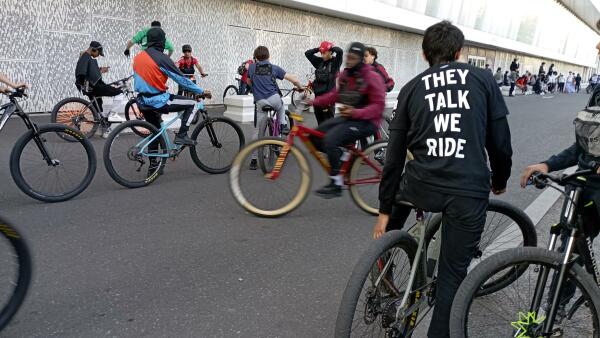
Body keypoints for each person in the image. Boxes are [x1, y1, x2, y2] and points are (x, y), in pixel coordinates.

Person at [374, 21, 512, 337]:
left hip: (420, 185)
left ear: (425, 54)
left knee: (398, 206)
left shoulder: (411, 88)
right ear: (460, 51)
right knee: (452, 276)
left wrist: (384, 215)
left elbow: (393, 158)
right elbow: (500, 142)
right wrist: (500, 179)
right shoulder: (484, 80)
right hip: (467, 189)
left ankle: (385, 254)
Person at [520, 100, 600, 323]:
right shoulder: (598, 93)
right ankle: (555, 311)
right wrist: (547, 165)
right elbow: (583, 146)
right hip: (584, 184)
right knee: (569, 249)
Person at [307, 42, 385, 197]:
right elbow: (336, 95)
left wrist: (355, 112)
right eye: (348, 57)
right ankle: (343, 156)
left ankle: (336, 182)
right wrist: (312, 101)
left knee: (331, 140)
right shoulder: (345, 74)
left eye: (353, 58)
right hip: (348, 117)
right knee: (314, 137)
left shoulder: (372, 76)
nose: (349, 60)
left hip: (367, 122)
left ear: (361, 59)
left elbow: (378, 106)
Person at [132, 27, 207, 148]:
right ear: (161, 42)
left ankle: (154, 165)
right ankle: (182, 135)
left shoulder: (138, 57)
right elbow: (182, 80)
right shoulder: (162, 58)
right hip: (158, 100)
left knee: (155, 133)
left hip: (142, 101)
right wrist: (201, 91)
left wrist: (158, 84)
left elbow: (145, 77)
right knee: (193, 103)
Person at [247, 46, 304, 170]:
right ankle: (283, 125)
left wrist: (256, 86)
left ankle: (254, 160)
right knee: (281, 107)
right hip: (274, 98)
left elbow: (248, 81)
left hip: (260, 101)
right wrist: (299, 86)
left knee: (257, 131)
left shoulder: (251, 68)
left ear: (256, 57)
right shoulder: (274, 68)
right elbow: (293, 79)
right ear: (268, 56)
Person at [75, 41, 125, 137]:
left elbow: (90, 72)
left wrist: (101, 70)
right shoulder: (85, 56)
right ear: (94, 49)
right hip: (94, 87)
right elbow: (81, 73)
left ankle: (104, 127)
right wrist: (86, 86)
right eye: (98, 53)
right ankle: (111, 118)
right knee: (119, 93)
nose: (98, 55)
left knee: (98, 105)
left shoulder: (86, 57)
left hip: (91, 87)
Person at [305, 41, 344, 125]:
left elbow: (340, 52)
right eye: (321, 53)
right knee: (320, 124)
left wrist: (331, 47)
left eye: (324, 52)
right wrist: (318, 49)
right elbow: (307, 53)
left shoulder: (335, 64)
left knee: (328, 125)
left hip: (328, 101)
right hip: (318, 98)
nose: (322, 55)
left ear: (330, 52)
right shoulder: (320, 62)